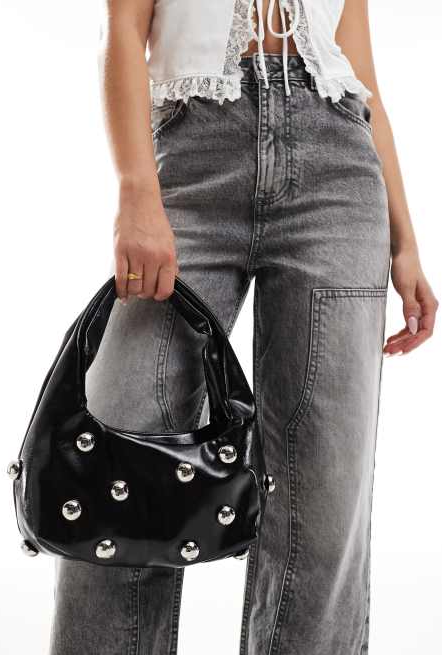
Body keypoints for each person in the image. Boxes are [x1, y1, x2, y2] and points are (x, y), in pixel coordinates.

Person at [49, 1, 438, 654]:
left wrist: (406, 241)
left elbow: (359, 70)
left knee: (321, 494)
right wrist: (136, 192)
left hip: (337, 173)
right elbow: (122, 27)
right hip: (191, 158)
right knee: (122, 461)